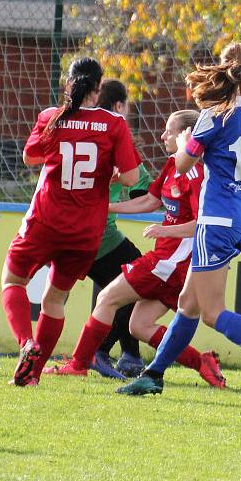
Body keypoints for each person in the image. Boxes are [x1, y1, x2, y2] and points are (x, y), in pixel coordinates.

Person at [119, 43, 241, 400]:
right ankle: (154, 375)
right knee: (188, 304)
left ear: (224, 68)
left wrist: (188, 141)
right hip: (238, 215)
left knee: (213, 313)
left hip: (214, 218)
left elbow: (184, 165)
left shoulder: (214, 114)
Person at [46, 110, 226, 388]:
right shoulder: (173, 166)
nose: (163, 135)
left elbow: (203, 222)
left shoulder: (196, 173)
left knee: (107, 298)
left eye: (169, 130)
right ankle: (201, 362)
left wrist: (166, 231)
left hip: (172, 262)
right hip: (170, 263)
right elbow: (149, 202)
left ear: (185, 135)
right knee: (138, 326)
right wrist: (105, 207)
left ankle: (79, 364)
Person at [1, 57, 141, 387]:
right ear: (98, 89)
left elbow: (29, 157)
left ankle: (26, 345)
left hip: (46, 220)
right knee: (54, 299)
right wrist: (111, 171)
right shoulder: (114, 124)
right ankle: (31, 376)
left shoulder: (53, 117)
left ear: (69, 84)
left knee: (13, 280)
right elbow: (133, 176)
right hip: (85, 231)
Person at [84, 79, 152, 379]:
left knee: (115, 283)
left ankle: (129, 354)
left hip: (61, 229)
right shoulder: (116, 139)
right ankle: (99, 351)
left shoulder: (77, 131)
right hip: (99, 235)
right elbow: (144, 193)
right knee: (139, 278)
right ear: (118, 107)